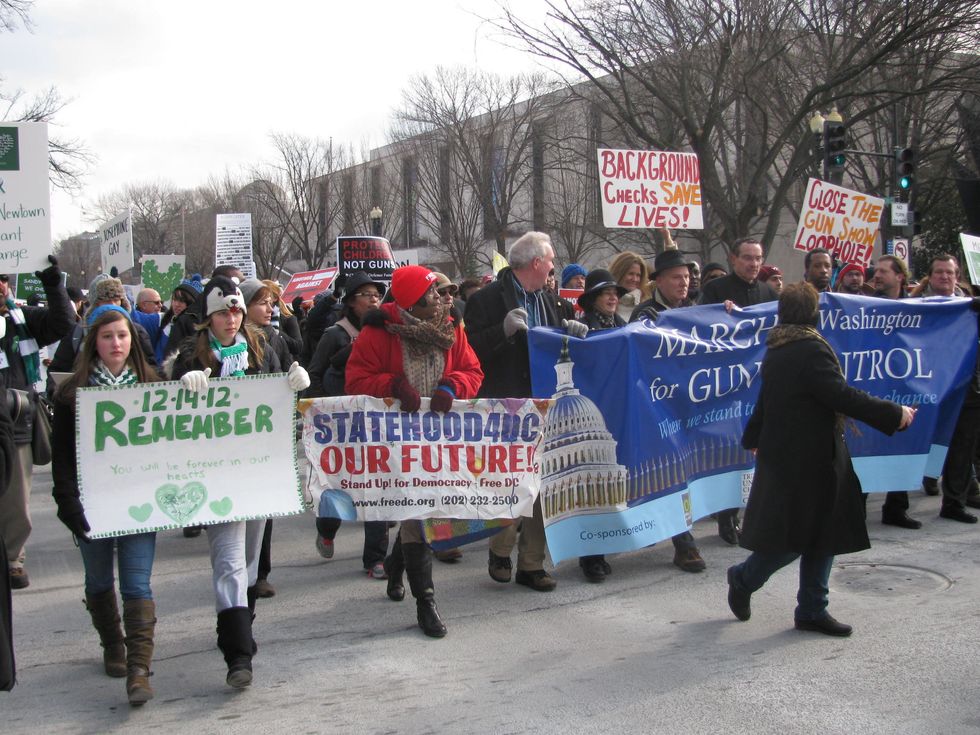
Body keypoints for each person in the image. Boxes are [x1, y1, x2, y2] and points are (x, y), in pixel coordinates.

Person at [727, 283, 915, 636]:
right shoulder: (809, 349)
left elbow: (768, 398)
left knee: (821, 533)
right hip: (807, 458)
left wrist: (754, 436)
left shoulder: (779, 345)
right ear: (815, 314)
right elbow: (841, 395)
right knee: (795, 538)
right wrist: (895, 413)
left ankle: (812, 608)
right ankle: (744, 578)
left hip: (805, 455)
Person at [171, 276, 310, 687]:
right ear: (207, 317)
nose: (231, 318)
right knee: (229, 560)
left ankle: (241, 629)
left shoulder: (264, 346)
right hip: (214, 473)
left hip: (258, 470)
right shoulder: (190, 354)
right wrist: (183, 385)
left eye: (235, 310)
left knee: (249, 560)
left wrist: (296, 385)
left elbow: (281, 400)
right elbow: (168, 413)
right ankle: (237, 654)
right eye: (222, 312)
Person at [345, 265, 484, 637]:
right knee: (415, 511)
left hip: (440, 438)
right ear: (411, 303)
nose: (441, 300)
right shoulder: (377, 332)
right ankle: (427, 603)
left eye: (441, 295)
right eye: (432, 296)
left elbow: (473, 370)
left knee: (421, 512)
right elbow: (355, 379)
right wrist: (391, 385)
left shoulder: (452, 328)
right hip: (396, 441)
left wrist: (453, 387)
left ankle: (395, 565)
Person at [465, 231, 587, 592]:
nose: (553, 266)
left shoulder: (549, 299)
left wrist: (572, 332)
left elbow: (554, 342)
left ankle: (532, 564)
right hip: (506, 405)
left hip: (546, 403)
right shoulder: (487, 299)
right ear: (536, 263)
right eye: (550, 261)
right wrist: (501, 331)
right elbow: (469, 351)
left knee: (545, 483)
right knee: (510, 480)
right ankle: (500, 550)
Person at [51, 305, 162, 705]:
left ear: (132, 341)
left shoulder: (154, 385)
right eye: (107, 336)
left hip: (138, 506)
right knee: (99, 583)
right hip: (91, 507)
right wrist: (69, 506)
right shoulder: (71, 395)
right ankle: (113, 645)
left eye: (122, 335)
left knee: (137, 584)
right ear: (93, 344)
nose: (116, 343)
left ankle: (139, 670)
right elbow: (62, 461)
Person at [629, 249, 711, 573]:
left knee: (688, 469)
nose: (684, 282)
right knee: (671, 469)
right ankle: (684, 543)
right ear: (659, 281)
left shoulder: (693, 310)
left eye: (687, 277)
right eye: (677, 277)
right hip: (658, 407)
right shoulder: (645, 314)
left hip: (689, 402)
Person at [306, 272, 392, 578]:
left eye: (377, 295)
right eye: (366, 295)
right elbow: (313, 375)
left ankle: (375, 560)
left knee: (378, 488)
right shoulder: (335, 334)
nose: (373, 301)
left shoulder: (386, 331)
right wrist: (323, 414)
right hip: (343, 426)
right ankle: (327, 528)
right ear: (351, 301)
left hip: (378, 424)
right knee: (341, 488)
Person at [0, 257, 75, 590]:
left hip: (15, 423)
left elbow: (63, 322)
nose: (0, 286)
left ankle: (12, 558)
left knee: (16, 499)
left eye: (2, 279)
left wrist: (52, 281)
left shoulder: (22, 320)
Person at [699, 238, 778, 545]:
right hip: (727, 387)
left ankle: (750, 515)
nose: (753, 264)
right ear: (733, 259)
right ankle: (726, 516)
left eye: (758, 258)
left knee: (754, 454)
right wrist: (721, 314)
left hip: (758, 384)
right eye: (747, 258)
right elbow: (701, 328)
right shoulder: (717, 291)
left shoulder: (769, 293)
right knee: (729, 452)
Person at [870, 254, 921, 529]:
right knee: (865, 445)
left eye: (883, 272)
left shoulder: (916, 307)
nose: (876, 276)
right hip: (874, 388)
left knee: (902, 443)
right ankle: (855, 508)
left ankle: (896, 508)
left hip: (904, 387)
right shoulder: (864, 305)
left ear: (899, 276)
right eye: (875, 271)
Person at [157, 275, 203, 364]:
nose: (176, 304)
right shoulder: (166, 321)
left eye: (182, 301)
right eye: (174, 300)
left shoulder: (193, 325)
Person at [607, 251, 651, 322]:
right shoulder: (604, 303)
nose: (634, 279)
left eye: (638, 275)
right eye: (630, 274)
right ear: (619, 273)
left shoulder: (647, 305)